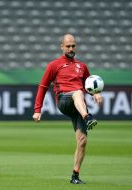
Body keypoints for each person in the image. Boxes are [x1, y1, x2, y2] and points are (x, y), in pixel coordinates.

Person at [32, 34, 103, 184]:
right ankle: (87, 117)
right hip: (64, 101)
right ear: (62, 47)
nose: (71, 48)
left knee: (82, 141)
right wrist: (38, 109)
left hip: (77, 105)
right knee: (77, 92)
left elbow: (89, 85)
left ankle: (75, 176)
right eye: (68, 46)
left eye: (73, 46)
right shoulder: (54, 65)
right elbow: (43, 86)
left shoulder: (81, 66)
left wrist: (96, 93)